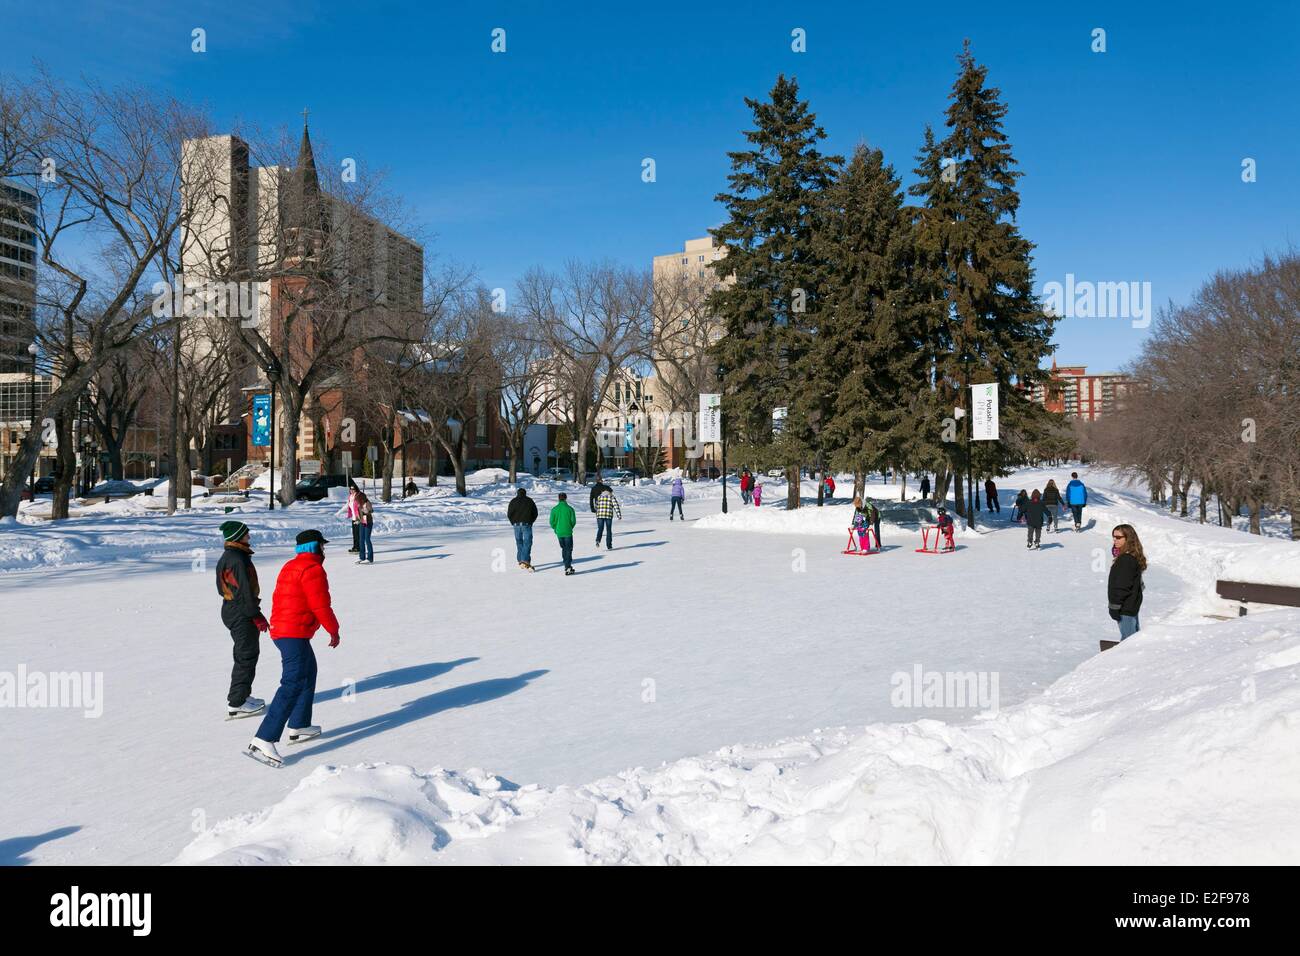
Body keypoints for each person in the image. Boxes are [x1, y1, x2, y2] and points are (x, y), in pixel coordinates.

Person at [246, 530, 341, 768]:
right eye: (322, 545)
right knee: (293, 681)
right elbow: (320, 604)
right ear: (314, 547)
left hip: (285, 629)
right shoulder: (312, 570)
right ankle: (264, 738)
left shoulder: (291, 565)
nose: (324, 550)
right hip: (292, 633)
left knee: (308, 671)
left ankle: (299, 724)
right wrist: (333, 629)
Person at [216, 520, 268, 719]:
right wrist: (255, 615)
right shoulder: (236, 559)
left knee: (247, 653)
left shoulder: (233, 555)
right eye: (246, 534)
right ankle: (237, 702)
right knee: (245, 655)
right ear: (238, 536)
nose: (249, 536)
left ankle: (243, 695)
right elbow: (243, 593)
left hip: (235, 609)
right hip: (239, 611)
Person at [1106, 524, 1146, 647]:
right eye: (1113, 537)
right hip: (1130, 606)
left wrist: (1114, 607)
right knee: (1132, 639)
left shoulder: (1126, 559)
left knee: (1129, 644)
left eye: (1118, 537)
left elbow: (1121, 587)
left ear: (1128, 538)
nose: (1115, 540)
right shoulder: (1129, 557)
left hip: (1125, 609)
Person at [508, 487, 538, 570]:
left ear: (517, 493)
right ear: (525, 493)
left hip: (516, 525)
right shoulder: (529, 501)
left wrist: (513, 522)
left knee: (519, 542)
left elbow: (509, 514)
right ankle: (524, 560)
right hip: (526, 524)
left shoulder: (513, 501)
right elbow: (535, 513)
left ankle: (521, 560)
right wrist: (531, 521)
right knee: (527, 542)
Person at [549, 492, 577, 575]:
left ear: (558, 498)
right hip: (567, 531)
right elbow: (573, 521)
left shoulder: (554, 509)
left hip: (559, 532)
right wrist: (570, 527)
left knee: (564, 548)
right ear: (565, 498)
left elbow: (551, 522)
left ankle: (566, 564)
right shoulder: (570, 509)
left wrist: (556, 528)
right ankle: (567, 566)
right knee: (568, 549)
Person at [595, 485, 622, 549]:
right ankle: (609, 545)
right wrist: (619, 515)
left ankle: (598, 540)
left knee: (600, 528)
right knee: (608, 530)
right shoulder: (611, 497)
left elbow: (596, 506)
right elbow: (616, 506)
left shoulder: (599, 497)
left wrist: (598, 513)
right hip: (608, 515)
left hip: (600, 515)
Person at [354, 491, 375, 564]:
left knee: (367, 539)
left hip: (368, 522)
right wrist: (357, 519)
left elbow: (371, 510)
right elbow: (358, 513)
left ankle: (370, 558)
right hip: (362, 522)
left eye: (357, 499)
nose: (356, 500)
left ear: (361, 498)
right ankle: (362, 557)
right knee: (361, 539)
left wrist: (367, 511)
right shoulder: (359, 504)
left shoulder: (367, 502)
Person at [347, 483, 361, 554]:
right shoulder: (350, 496)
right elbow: (349, 506)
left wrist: (359, 518)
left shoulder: (358, 496)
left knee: (358, 534)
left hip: (358, 518)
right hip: (353, 518)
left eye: (353, 489)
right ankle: (355, 547)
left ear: (356, 489)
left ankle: (358, 548)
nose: (351, 490)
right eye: (350, 489)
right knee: (354, 533)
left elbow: (359, 507)